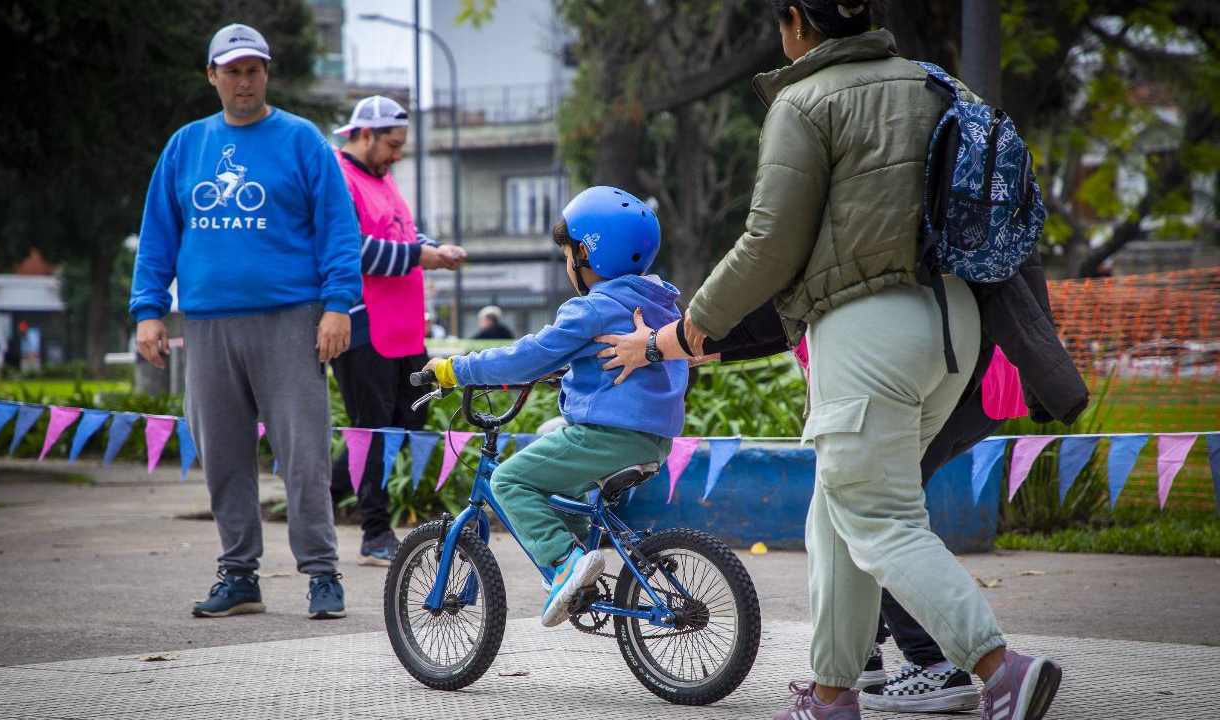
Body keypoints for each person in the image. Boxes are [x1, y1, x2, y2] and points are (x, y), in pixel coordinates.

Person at [595, 3, 1068, 718]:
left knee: (877, 518)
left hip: (868, 327)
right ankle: (832, 695)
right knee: (838, 514)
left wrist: (687, 328)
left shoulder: (805, 99)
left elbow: (768, 244)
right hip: (957, 324)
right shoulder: (939, 83)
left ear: (794, 20)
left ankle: (1001, 668)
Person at [130, 23, 360, 621]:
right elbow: (158, 235)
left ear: (267, 73)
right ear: (212, 76)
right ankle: (239, 576)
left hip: (290, 317)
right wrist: (148, 310)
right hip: (206, 324)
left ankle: (321, 574)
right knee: (224, 454)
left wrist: (338, 305)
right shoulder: (185, 146)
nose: (243, 79)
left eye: (253, 68)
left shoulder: (302, 140)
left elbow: (338, 227)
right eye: (231, 70)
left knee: (304, 453)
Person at [422, 186, 688, 627]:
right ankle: (583, 556)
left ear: (587, 255)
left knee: (509, 481)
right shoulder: (655, 301)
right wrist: (565, 373)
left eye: (568, 253)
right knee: (549, 435)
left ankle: (565, 563)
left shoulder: (594, 309)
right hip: (651, 439)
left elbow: (526, 355)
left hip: (609, 437)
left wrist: (456, 370)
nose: (567, 264)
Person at [328, 95, 466, 566]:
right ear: (364, 135)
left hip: (403, 326)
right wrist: (420, 256)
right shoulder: (339, 179)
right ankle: (374, 532)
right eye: (392, 144)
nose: (398, 154)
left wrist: (434, 249)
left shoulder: (383, 180)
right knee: (374, 428)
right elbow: (354, 250)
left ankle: (325, 489)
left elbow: (403, 236)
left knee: (415, 413)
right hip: (362, 324)